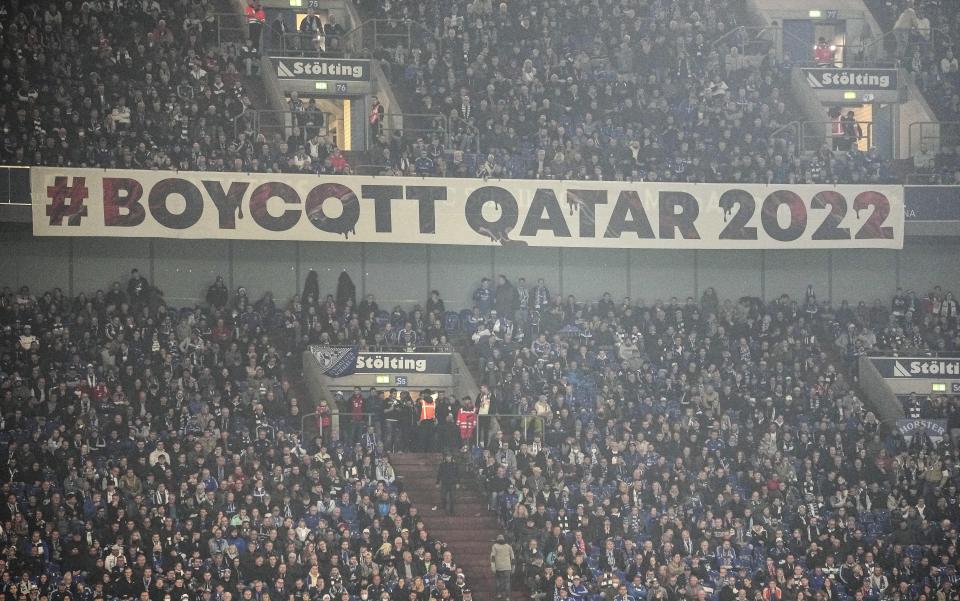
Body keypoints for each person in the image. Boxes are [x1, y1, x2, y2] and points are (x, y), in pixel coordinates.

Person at [490, 534, 515, 600]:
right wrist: (513, 567)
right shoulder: (508, 546)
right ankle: (507, 597)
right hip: (507, 567)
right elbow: (513, 558)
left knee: (499, 581)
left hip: (498, 567)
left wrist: (493, 567)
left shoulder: (494, 546)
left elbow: (492, 557)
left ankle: (499, 594)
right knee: (507, 582)